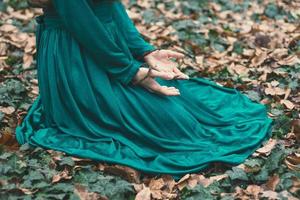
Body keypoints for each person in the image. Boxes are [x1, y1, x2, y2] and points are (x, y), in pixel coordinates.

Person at [15, 0, 274, 181]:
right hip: (75, 56)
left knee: (190, 108)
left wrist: (144, 51)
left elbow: (110, 6)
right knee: (171, 126)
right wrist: (130, 71)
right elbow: (83, 24)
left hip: (106, 47)